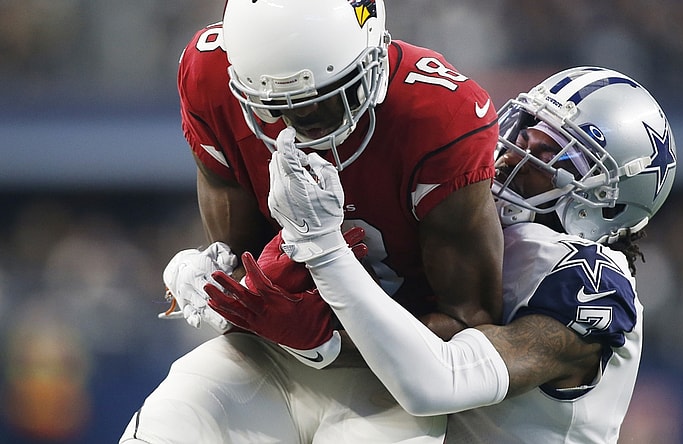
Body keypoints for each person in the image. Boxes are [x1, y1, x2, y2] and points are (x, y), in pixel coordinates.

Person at [210, 66, 678, 443]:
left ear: (608, 200)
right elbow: (401, 339)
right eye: (525, 132)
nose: (513, 156)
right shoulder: (467, 229)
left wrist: (325, 308)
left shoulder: (589, 282)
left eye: (554, 156)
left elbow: (439, 377)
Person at [120, 0, 503, 441]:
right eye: (273, 106)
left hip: (395, 375)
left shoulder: (439, 115)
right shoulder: (209, 73)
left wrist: (329, 335)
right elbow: (248, 259)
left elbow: (469, 324)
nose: (296, 126)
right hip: (265, 353)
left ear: (372, 60)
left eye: (321, 102)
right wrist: (222, 287)